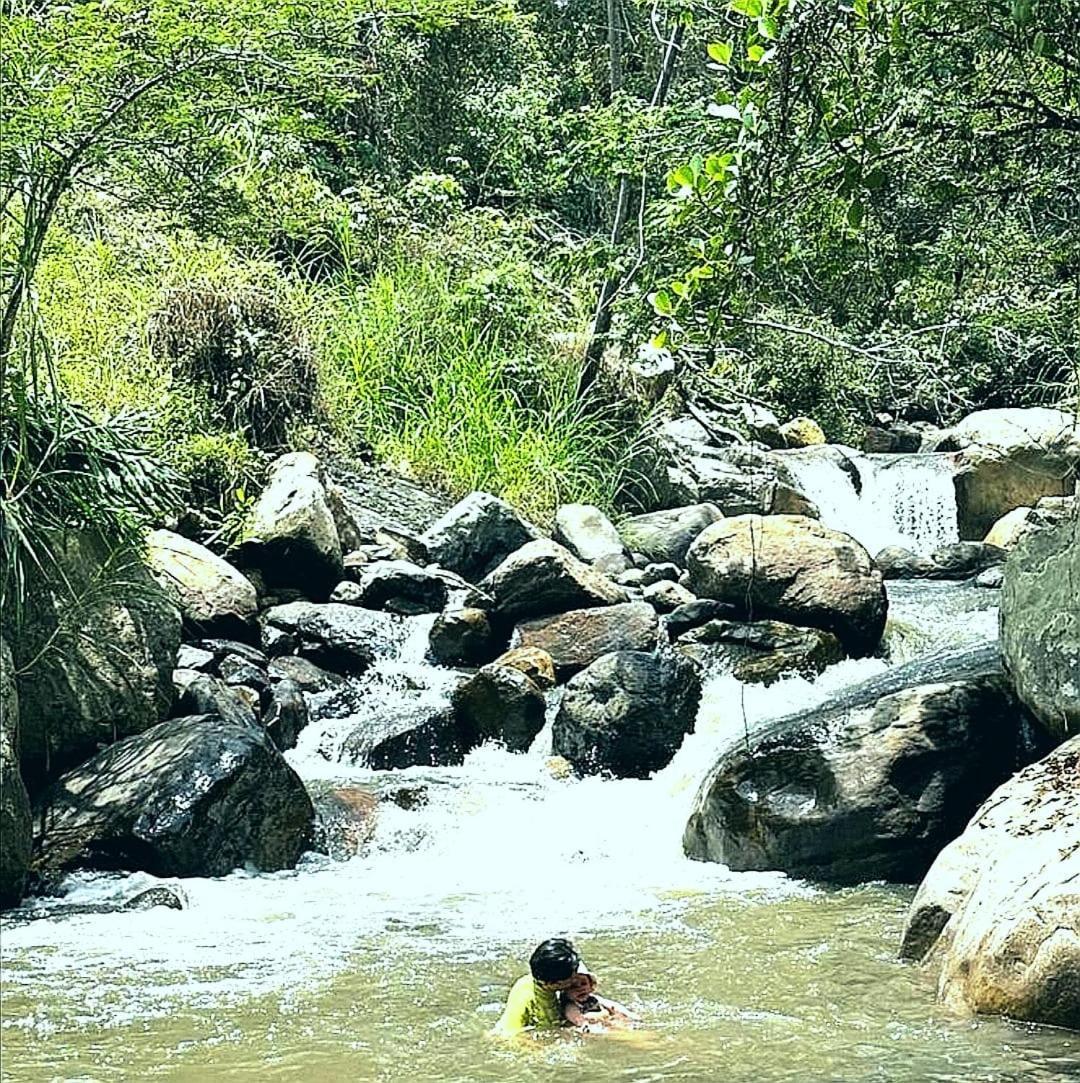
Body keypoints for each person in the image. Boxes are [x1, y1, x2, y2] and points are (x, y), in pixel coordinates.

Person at [493, 938, 582, 1037]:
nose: (576, 979)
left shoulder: (556, 978)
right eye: (571, 978)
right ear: (551, 984)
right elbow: (509, 1036)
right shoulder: (525, 996)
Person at [560, 966, 640, 1032]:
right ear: (565, 991)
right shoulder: (571, 1005)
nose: (580, 989)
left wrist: (630, 1015)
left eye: (583, 984)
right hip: (595, 1026)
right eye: (573, 987)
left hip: (606, 1020)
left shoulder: (595, 998)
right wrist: (596, 1018)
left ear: (591, 986)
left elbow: (614, 1006)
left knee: (622, 1021)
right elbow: (578, 1020)